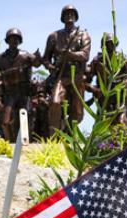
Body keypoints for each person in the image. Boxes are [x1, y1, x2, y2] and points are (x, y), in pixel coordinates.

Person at [0, 28, 41, 141]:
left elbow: (37, 63)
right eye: (11, 39)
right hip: (9, 94)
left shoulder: (26, 55)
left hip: (24, 94)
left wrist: (37, 58)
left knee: (25, 119)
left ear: (19, 41)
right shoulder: (0, 58)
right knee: (5, 122)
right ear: (7, 40)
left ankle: (25, 144)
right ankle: (8, 143)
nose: (14, 41)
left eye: (16, 39)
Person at [43, 5, 91, 133]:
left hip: (77, 78)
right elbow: (45, 59)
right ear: (62, 17)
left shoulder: (83, 35)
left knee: (78, 112)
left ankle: (68, 133)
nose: (69, 16)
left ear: (76, 17)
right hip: (61, 77)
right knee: (55, 102)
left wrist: (70, 55)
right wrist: (51, 67)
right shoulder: (54, 36)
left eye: (72, 13)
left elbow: (85, 55)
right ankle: (53, 136)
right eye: (67, 14)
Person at [86, 32, 127, 121]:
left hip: (119, 97)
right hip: (103, 97)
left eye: (112, 44)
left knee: (121, 121)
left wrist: (124, 83)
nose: (110, 47)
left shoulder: (122, 58)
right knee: (102, 121)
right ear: (103, 45)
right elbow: (86, 80)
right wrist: (95, 90)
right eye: (107, 44)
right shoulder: (97, 60)